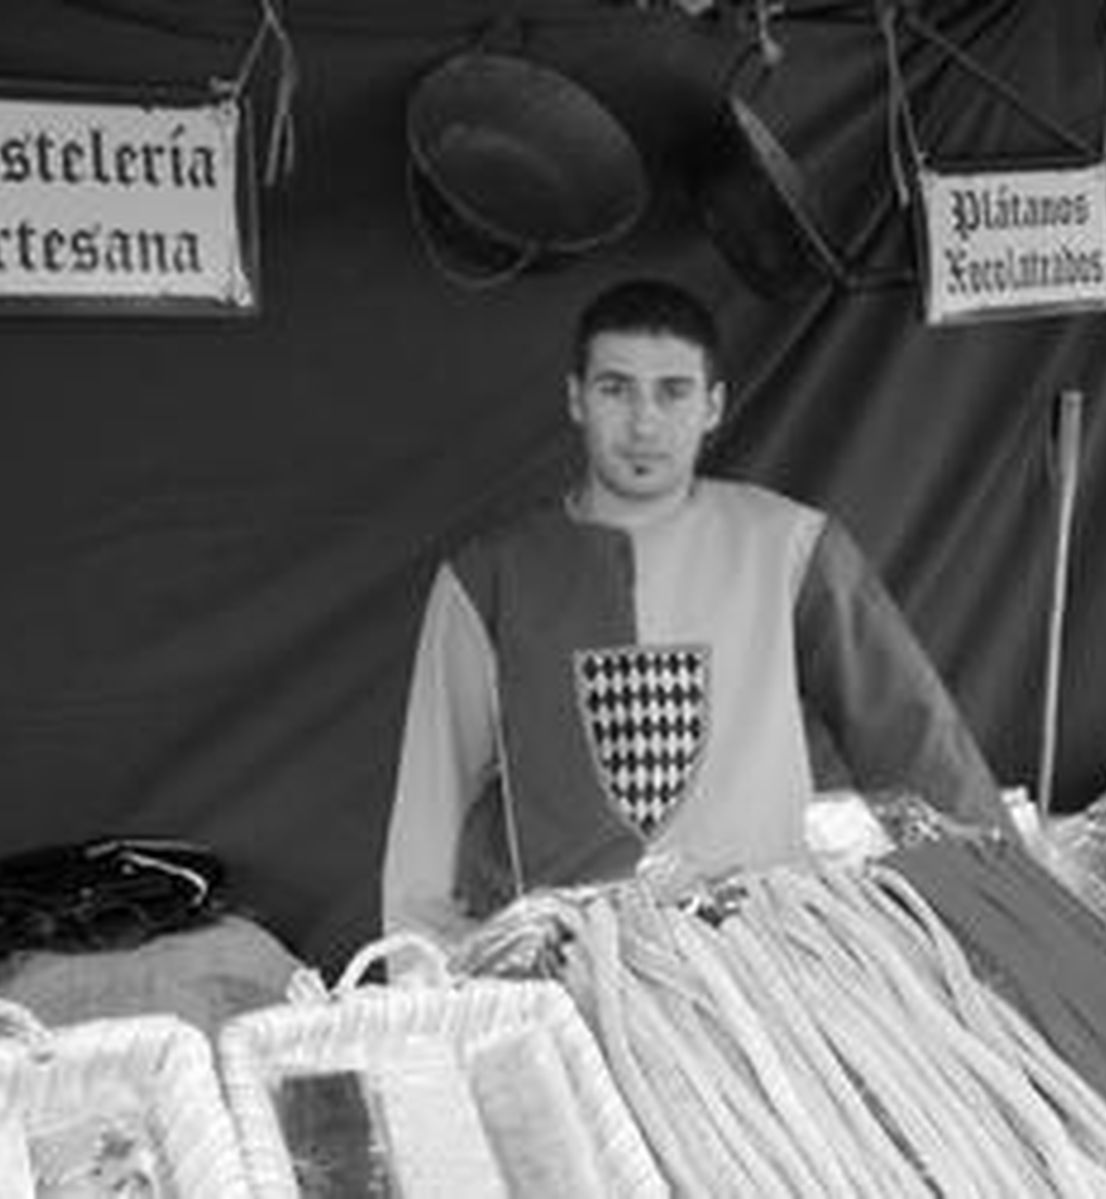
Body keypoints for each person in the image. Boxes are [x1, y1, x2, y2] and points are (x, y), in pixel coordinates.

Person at [381, 277, 1012, 945]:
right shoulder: (488, 578)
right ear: (576, 399)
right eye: (615, 388)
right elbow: (431, 811)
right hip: (566, 973)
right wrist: (425, 979)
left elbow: (914, 736)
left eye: (673, 391)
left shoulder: (789, 547)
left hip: (763, 953)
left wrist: (1011, 906)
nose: (644, 422)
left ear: (713, 405)